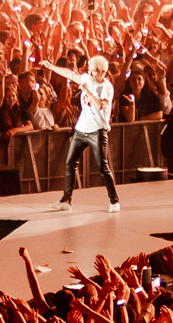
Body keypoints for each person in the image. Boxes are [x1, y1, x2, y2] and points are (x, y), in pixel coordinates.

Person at [47, 54, 119, 209]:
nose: (92, 74)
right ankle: (66, 200)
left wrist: (87, 90)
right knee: (70, 163)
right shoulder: (86, 78)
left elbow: (99, 105)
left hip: (97, 130)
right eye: (91, 71)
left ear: (103, 72)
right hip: (81, 129)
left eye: (95, 72)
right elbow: (70, 74)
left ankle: (114, 200)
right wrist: (51, 66)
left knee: (102, 167)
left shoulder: (106, 87)